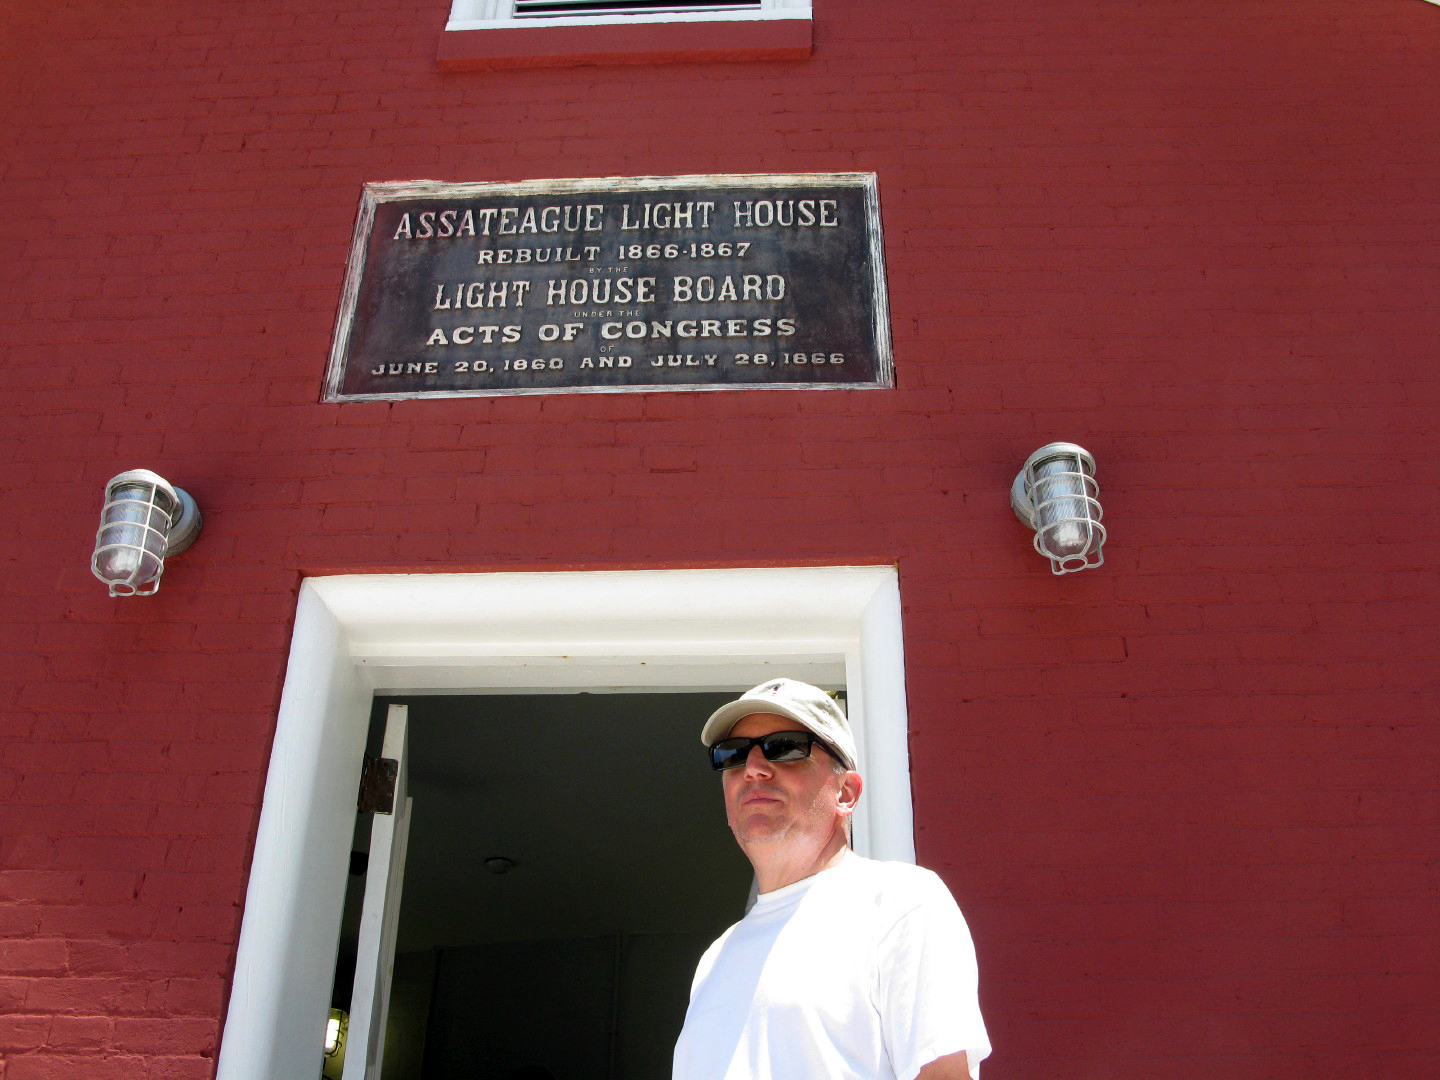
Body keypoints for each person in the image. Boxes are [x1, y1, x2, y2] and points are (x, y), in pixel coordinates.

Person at [672, 678, 990, 1080]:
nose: (752, 769)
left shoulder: (900, 904)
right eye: (733, 754)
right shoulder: (716, 958)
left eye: (784, 747)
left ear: (845, 792)